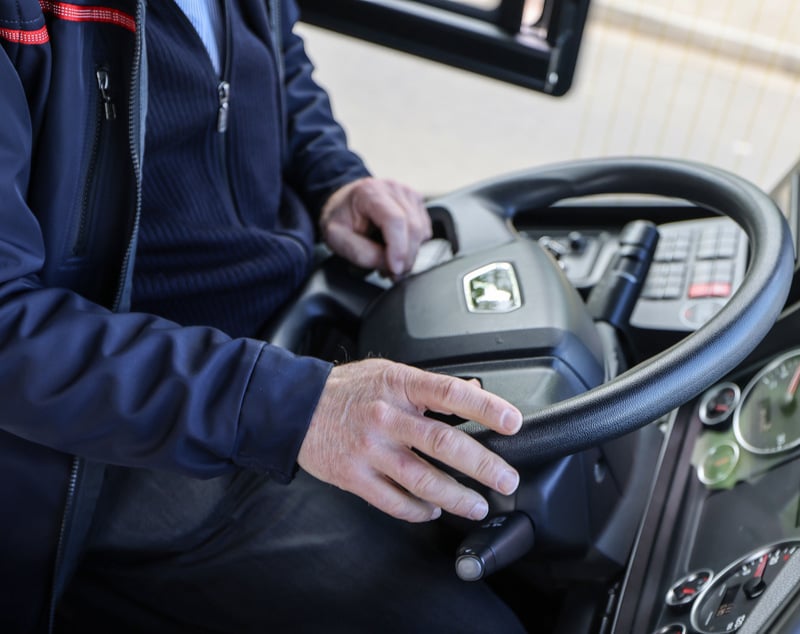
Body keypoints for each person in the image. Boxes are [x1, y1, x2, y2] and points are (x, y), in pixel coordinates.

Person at [0, 0, 525, 631]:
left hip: (290, 337)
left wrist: (334, 182)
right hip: (123, 439)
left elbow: (278, 65)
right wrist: (286, 404)